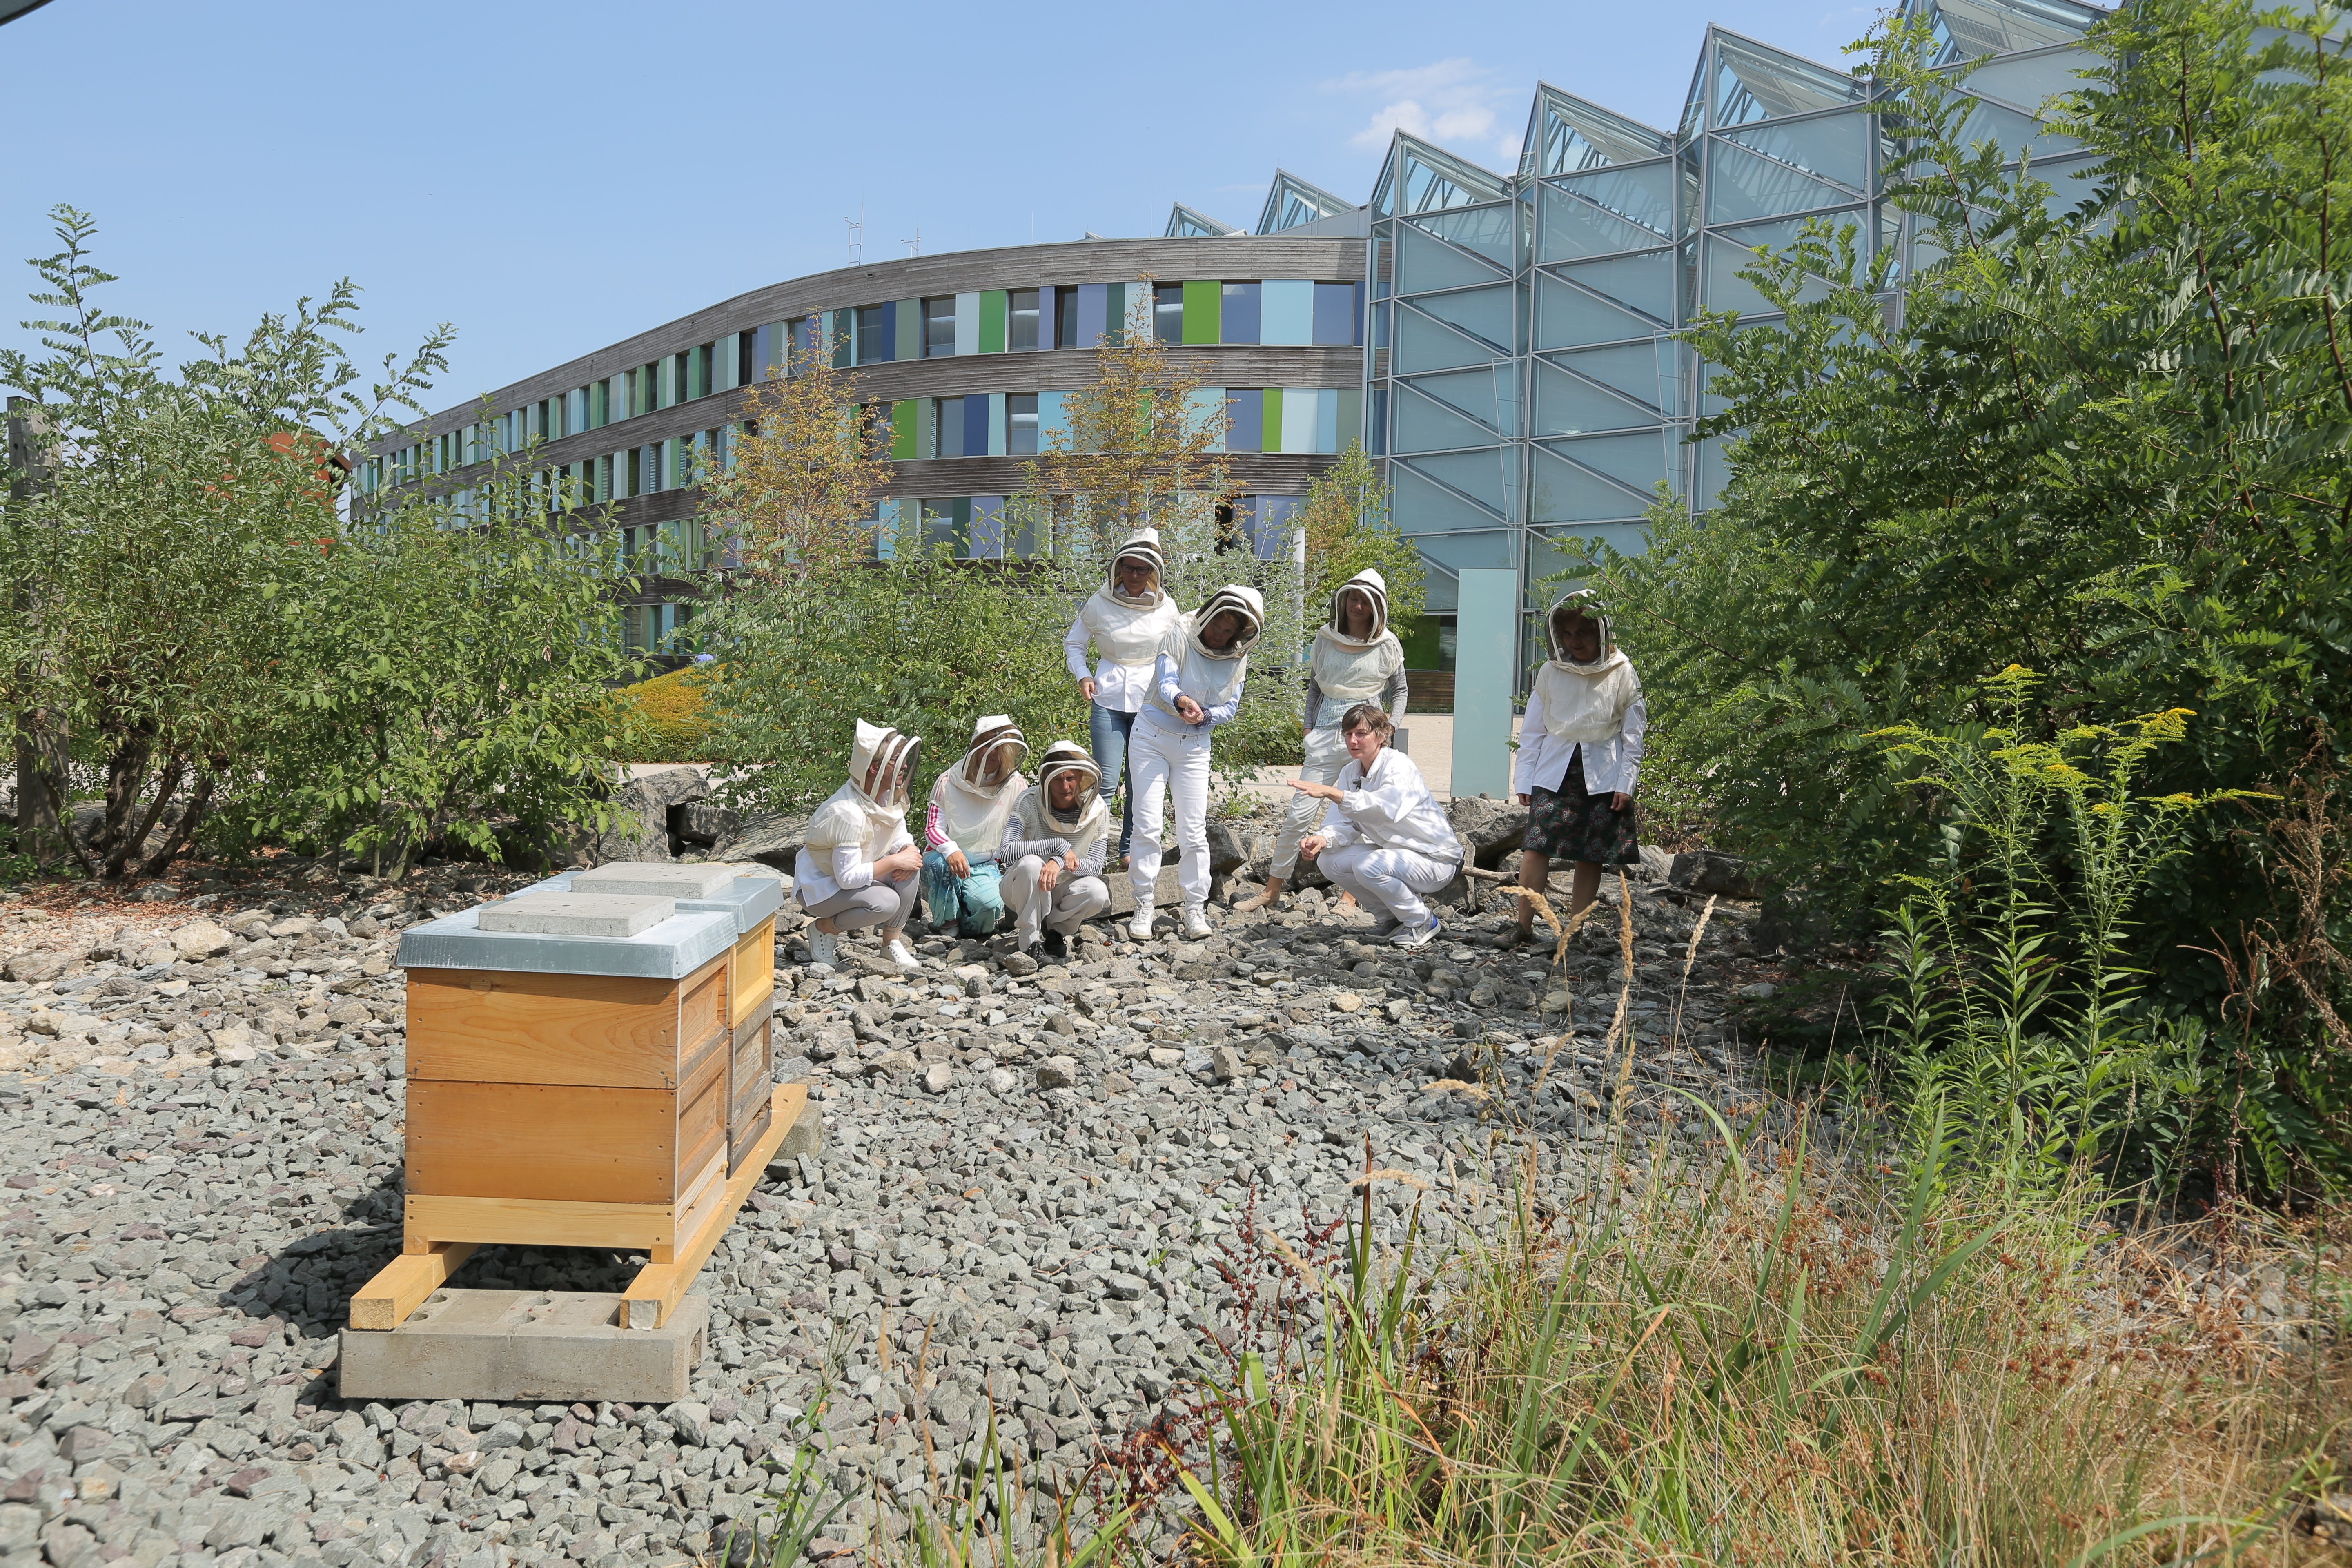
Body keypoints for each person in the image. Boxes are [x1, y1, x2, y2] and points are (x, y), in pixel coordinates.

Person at [1237, 568, 1408, 913]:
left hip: (1368, 737)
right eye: (1353, 599)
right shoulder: (1325, 637)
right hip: (1325, 736)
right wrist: (1308, 727)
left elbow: (1401, 691)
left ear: (1377, 606)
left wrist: (1388, 729)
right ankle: (1272, 890)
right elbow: (1315, 686)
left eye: (1365, 601)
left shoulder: (1388, 643)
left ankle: (1351, 895)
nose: (1357, 606)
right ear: (1343, 601)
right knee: (1298, 816)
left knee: (1361, 816)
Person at [1127, 583, 1265, 940]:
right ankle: (1144, 903)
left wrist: (1203, 716)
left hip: (1195, 745)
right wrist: (1184, 702)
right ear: (1209, 615)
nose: (1219, 634)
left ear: (1239, 635)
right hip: (1152, 738)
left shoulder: (1238, 659)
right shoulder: (1178, 632)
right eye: (1217, 624)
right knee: (1147, 825)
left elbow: (1230, 708)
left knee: (1192, 831)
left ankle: (1194, 908)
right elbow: (1166, 679)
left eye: (1229, 630)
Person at [1508, 590, 1646, 944]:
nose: (1575, 641)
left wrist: (1626, 783)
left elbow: (1633, 734)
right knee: (1535, 847)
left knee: (1591, 854)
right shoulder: (1550, 672)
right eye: (1568, 634)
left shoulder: (1622, 671)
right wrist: (1523, 778)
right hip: (1554, 772)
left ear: (1602, 631)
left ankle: (1575, 930)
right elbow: (1533, 730)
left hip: (1603, 775)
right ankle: (1522, 927)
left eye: (1583, 633)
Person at [1062, 529, 1184, 867]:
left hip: (1151, 703)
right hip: (1108, 696)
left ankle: (1128, 850)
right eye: (1129, 568)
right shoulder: (1099, 603)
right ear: (1118, 569)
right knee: (1105, 780)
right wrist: (1083, 675)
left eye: (1142, 570)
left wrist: (1179, 694)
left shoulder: (1168, 608)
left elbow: (1180, 653)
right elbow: (1074, 644)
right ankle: (1087, 851)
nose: (1134, 575)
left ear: (1154, 573)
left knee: (1140, 781)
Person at [1295, 703, 1459, 947]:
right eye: (1348, 734)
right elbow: (1343, 823)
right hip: (1396, 855)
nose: (1353, 740)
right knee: (1329, 861)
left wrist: (1335, 794)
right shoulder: (1350, 772)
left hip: (1436, 859)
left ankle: (1421, 921)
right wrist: (1322, 839)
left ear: (1382, 735)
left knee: (1366, 865)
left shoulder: (1399, 765)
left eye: (1361, 734)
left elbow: (1387, 809)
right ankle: (1392, 919)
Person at [795, 719, 924, 973]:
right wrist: (895, 861)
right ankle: (824, 928)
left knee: (911, 869)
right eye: (895, 760)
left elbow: (899, 835)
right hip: (821, 888)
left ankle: (891, 944)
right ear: (874, 769)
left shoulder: (886, 797)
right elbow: (847, 878)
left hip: (854, 879)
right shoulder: (847, 812)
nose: (904, 765)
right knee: (886, 902)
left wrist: (909, 851)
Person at [999, 741, 1113, 960]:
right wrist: (1058, 847)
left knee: (1097, 892)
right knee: (1032, 864)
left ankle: (1055, 932)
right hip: (1022, 885)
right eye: (1058, 779)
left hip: (1063, 886)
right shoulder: (1029, 801)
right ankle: (1029, 941)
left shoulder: (1098, 809)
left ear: (1081, 778)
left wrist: (1059, 862)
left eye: (1071, 778)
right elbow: (1006, 850)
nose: (1065, 787)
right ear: (1047, 781)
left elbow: (1097, 865)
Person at [920, 715, 1028, 939]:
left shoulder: (1017, 785)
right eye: (987, 744)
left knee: (989, 907)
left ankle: (967, 921)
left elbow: (1022, 832)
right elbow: (932, 827)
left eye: (999, 746)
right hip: (945, 860)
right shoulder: (949, 780)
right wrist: (951, 850)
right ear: (976, 747)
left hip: (985, 864)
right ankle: (947, 922)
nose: (992, 752)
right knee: (938, 865)